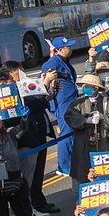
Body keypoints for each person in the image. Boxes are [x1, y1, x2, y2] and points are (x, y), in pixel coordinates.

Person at [40, 36, 78, 176]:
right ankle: (63, 166)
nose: (71, 49)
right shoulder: (52, 63)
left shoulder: (64, 61)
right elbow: (46, 81)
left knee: (72, 132)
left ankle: (70, 161)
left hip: (70, 100)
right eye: (68, 47)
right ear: (60, 50)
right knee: (66, 133)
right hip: (62, 102)